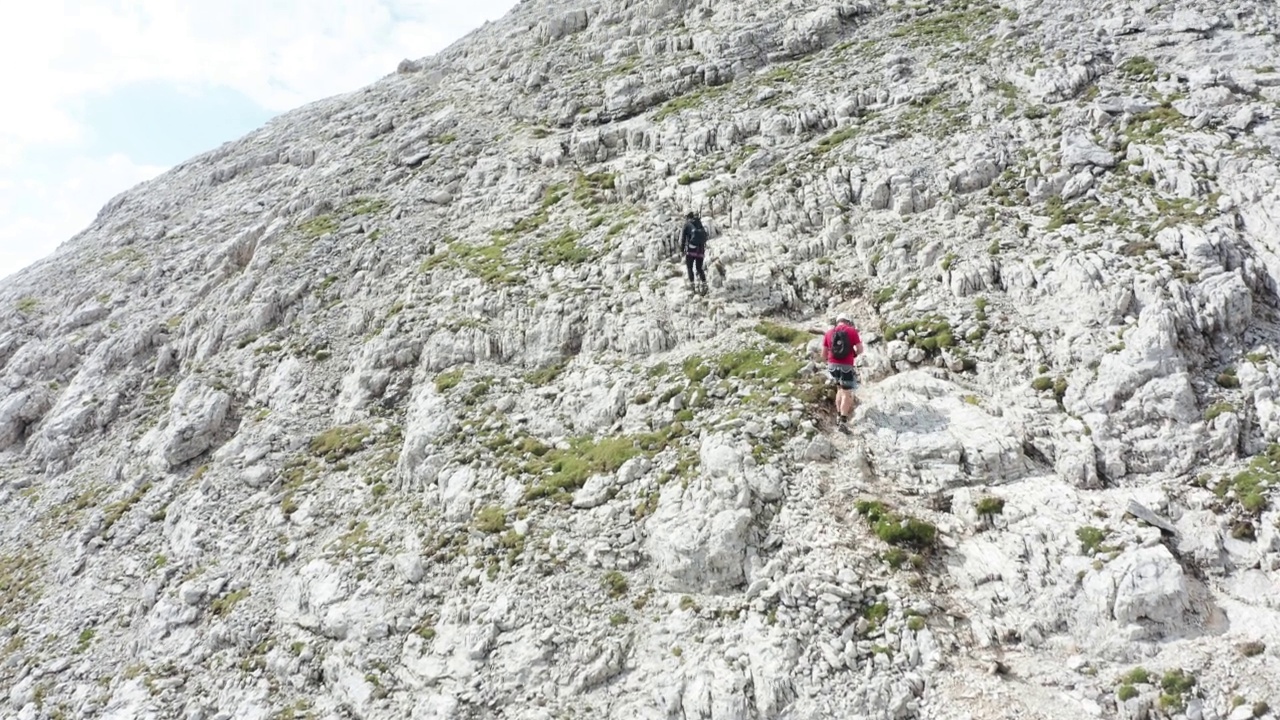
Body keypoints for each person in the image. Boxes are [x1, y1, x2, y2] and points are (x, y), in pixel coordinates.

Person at [822, 312, 864, 433]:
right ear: (847, 321)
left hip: (832, 366)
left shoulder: (829, 333)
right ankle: (843, 421)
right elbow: (860, 350)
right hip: (846, 366)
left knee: (839, 389)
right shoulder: (851, 331)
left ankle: (838, 415)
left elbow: (823, 354)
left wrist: (830, 361)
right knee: (846, 393)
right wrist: (853, 354)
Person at [680, 212, 708, 293]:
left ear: (687, 217)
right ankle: (704, 283)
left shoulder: (686, 224)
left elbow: (683, 239)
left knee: (690, 267)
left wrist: (682, 250)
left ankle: (692, 285)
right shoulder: (699, 222)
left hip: (691, 249)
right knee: (699, 268)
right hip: (701, 249)